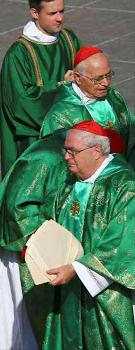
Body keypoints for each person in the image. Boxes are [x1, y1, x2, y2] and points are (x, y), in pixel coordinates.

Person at [24, 120, 135, 348]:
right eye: (66, 150)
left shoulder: (124, 186)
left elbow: (121, 243)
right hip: (67, 287)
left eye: (72, 151)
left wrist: (77, 269)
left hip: (105, 292)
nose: (66, 157)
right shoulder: (71, 181)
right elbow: (51, 216)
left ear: (96, 151)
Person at [0, 135, 70, 349]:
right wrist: (45, 243)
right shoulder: (45, 159)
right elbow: (18, 207)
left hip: (55, 251)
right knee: (15, 322)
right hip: (24, 249)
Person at [0, 0, 82, 177]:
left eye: (62, 11)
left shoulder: (69, 40)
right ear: (35, 13)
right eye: (52, 13)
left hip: (72, 132)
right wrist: (62, 87)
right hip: (35, 138)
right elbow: (21, 102)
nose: (60, 18)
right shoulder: (19, 54)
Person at [40, 46, 135, 167]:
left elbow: (131, 133)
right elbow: (54, 160)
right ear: (78, 78)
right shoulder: (60, 115)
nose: (105, 83)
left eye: (108, 75)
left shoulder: (113, 97)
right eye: (98, 79)